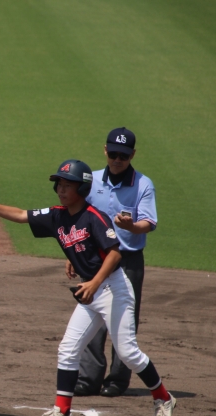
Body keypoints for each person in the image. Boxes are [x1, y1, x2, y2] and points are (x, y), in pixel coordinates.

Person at [0, 159, 175, 416]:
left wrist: (94, 283)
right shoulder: (57, 215)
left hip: (113, 289)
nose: (60, 189)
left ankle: (164, 398)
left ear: (81, 188)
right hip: (90, 292)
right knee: (68, 349)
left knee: (128, 352)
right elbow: (22, 215)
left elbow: (115, 254)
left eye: (67, 185)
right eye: (59, 184)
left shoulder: (95, 217)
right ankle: (62, 412)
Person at [71, 127, 158, 398]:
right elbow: (78, 217)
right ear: (105, 150)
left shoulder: (143, 184)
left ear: (133, 155)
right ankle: (89, 378)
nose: (118, 160)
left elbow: (149, 223)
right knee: (91, 312)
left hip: (128, 260)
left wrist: (132, 226)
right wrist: (72, 254)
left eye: (124, 155)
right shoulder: (92, 180)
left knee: (123, 319)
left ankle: (118, 380)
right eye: (114, 154)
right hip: (93, 259)